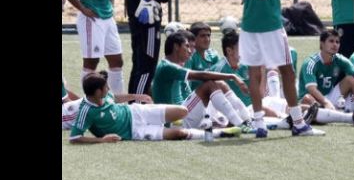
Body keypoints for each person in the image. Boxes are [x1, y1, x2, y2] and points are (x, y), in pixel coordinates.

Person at [236, 0, 322, 137]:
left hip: (248, 24)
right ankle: (298, 122)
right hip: (271, 24)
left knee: (254, 73)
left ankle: (259, 123)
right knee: (287, 70)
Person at [69, 72, 241, 144]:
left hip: (136, 111)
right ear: (97, 91)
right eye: (105, 87)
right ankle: (218, 133)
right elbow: (74, 138)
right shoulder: (86, 110)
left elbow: (114, 97)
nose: (108, 89)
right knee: (178, 134)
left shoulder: (102, 94)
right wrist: (102, 140)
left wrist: (136, 97)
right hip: (134, 131)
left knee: (182, 111)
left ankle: (202, 124)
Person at [152, 31, 253, 132]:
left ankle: (246, 119)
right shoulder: (167, 67)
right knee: (209, 85)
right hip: (175, 120)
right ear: (176, 47)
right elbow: (202, 76)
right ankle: (239, 124)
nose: (190, 51)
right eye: (187, 46)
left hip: (181, 113)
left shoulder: (168, 65)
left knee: (220, 83)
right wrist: (233, 76)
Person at [298, 30, 354, 127]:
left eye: (337, 42)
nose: (335, 44)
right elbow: (312, 89)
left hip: (329, 95)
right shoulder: (311, 63)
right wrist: (326, 102)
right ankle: (351, 117)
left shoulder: (339, 59)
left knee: (351, 79)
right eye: (331, 41)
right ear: (322, 44)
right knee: (308, 98)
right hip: (314, 100)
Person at [185, 22, 221, 91]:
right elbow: (186, 86)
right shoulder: (189, 57)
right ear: (193, 38)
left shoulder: (214, 55)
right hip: (195, 97)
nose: (207, 39)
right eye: (202, 36)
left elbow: (220, 79)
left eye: (208, 35)